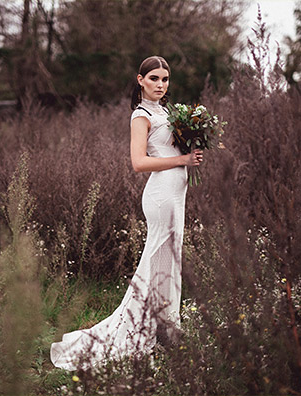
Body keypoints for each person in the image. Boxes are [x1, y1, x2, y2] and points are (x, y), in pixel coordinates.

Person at [50, 56, 204, 370]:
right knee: (156, 260)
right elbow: (138, 162)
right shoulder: (141, 114)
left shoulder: (167, 111)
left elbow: (172, 148)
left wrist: (191, 149)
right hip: (160, 195)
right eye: (154, 79)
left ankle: (165, 328)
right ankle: (139, 330)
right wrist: (181, 161)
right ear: (140, 80)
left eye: (165, 79)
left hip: (177, 193)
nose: (160, 85)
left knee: (170, 261)